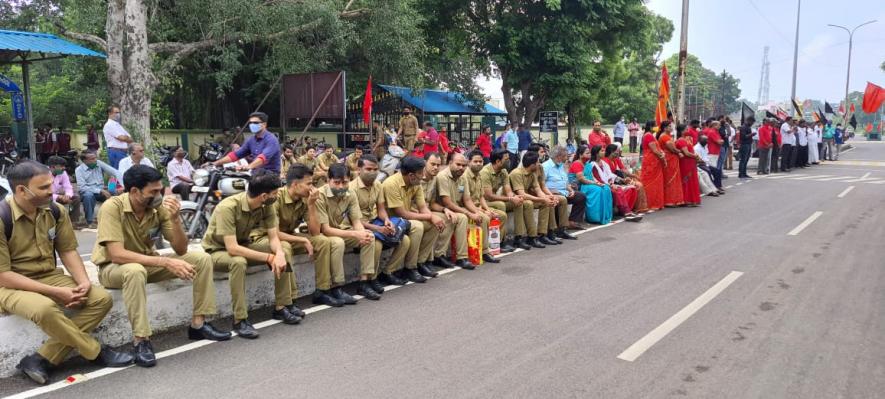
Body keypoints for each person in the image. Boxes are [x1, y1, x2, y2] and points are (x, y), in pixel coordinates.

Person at [0, 162, 134, 384]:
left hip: (49, 274)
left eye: (50, 185)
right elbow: (3, 275)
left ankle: (41, 358)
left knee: (100, 299)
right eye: (43, 187)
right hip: (11, 284)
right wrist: (56, 292)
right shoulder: (3, 217)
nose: (52, 191)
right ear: (22, 190)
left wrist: (83, 282)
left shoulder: (54, 210)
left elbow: (67, 250)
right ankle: (95, 351)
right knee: (45, 309)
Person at [93, 165, 230, 367]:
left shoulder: (159, 208)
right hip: (114, 268)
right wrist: (165, 261)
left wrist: (175, 219)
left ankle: (199, 324)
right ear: (134, 191)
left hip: (147, 263)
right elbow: (117, 254)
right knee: (134, 270)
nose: (160, 195)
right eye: (153, 192)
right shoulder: (112, 207)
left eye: (160, 190)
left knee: (201, 259)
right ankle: (141, 340)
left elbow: (181, 249)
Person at [202, 169, 299, 339]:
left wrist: (279, 254)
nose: (277, 196)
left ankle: (282, 306)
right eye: (275, 193)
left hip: (244, 245)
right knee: (238, 262)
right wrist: (269, 257)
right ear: (263, 195)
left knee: (284, 248)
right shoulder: (228, 207)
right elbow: (232, 249)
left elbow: (273, 237)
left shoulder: (265, 205)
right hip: (217, 251)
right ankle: (240, 319)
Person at [349, 155, 414, 294]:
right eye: (368, 169)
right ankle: (370, 280)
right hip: (356, 226)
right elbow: (354, 219)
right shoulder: (351, 188)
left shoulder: (378, 185)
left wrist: (387, 221)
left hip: (375, 223)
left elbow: (381, 209)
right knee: (376, 244)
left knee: (405, 240)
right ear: (359, 169)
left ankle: (388, 272)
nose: (372, 172)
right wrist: (378, 228)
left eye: (375, 169)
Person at [314, 164, 375, 301]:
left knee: (369, 236)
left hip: (340, 230)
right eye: (336, 182)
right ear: (328, 180)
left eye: (345, 182)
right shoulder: (320, 195)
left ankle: (364, 283)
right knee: (338, 242)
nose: (341, 186)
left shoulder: (350, 193)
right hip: (323, 234)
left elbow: (356, 221)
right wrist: (355, 234)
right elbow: (325, 229)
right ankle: (337, 287)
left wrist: (361, 234)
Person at [381, 156, 443, 283]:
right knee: (418, 226)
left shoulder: (416, 183)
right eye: (421, 173)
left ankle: (421, 262)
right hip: (391, 221)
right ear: (411, 175)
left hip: (406, 219)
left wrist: (432, 217)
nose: (423, 176)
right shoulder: (391, 183)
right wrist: (431, 216)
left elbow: (422, 207)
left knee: (435, 223)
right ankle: (410, 268)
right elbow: (402, 213)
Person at [421, 152, 476, 270]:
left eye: (463, 165)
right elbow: (445, 202)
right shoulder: (439, 177)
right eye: (433, 164)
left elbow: (467, 199)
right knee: (451, 218)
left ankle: (462, 257)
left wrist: (476, 212)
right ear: (450, 163)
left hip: (434, 209)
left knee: (459, 217)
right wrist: (449, 210)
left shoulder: (435, 178)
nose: (436, 167)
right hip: (424, 212)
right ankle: (437, 256)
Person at [480, 149, 534, 250]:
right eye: (506, 159)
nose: (509, 161)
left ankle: (519, 237)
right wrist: (509, 198)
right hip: (485, 202)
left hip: (495, 200)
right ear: (498, 161)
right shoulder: (485, 172)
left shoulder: (504, 171)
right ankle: (501, 240)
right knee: (501, 204)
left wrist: (514, 197)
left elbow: (508, 190)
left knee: (520, 202)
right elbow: (489, 196)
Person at [463, 150, 516, 252]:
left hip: (480, 205)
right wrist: (484, 211)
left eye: (480, 161)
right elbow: (468, 200)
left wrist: (487, 209)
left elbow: (481, 196)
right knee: (486, 217)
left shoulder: (478, 175)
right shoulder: (467, 176)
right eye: (475, 161)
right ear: (469, 162)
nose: (478, 164)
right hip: (471, 207)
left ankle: (497, 243)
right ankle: (484, 250)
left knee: (502, 215)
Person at [509, 151, 558, 247]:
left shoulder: (532, 174)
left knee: (546, 203)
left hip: (525, 199)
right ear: (532, 165)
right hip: (513, 199)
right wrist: (542, 199)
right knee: (529, 203)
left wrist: (547, 198)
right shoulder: (516, 173)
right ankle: (528, 237)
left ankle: (542, 234)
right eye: (537, 162)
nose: (539, 164)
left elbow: (538, 190)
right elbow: (521, 194)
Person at [212, 112, 281, 174]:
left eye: (255, 123)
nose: (252, 125)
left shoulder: (271, 140)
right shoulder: (251, 140)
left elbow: (263, 158)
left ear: (264, 124)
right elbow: (236, 155)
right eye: (250, 123)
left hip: (270, 176)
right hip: (255, 174)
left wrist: (249, 166)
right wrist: (215, 163)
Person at [542, 145, 586, 232]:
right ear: (558, 157)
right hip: (552, 192)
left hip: (564, 191)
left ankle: (572, 222)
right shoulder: (545, 166)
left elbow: (565, 181)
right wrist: (552, 192)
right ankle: (558, 227)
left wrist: (571, 190)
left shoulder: (561, 165)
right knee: (560, 200)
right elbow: (541, 184)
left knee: (581, 196)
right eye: (565, 156)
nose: (566, 158)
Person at [528, 144, 565, 244]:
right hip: (531, 195)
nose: (544, 154)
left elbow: (543, 186)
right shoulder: (528, 167)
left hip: (539, 193)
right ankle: (544, 234)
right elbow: (532, 189)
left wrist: (550, 195)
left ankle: (558, 230)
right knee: (547, 203)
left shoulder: (540, 166)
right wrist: (546, 197)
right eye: (541, 152)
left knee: (555, 200)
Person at [75, 150, 122, 229]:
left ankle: (118, 218)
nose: (95, 160)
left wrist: (122, 185)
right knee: (88, 195)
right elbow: (82, 187)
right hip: (88, 192)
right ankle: (90, 221)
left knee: (118, 192)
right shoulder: (79, 170)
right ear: (84, 161)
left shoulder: (98, 163)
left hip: (101, 190)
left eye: (95, 158)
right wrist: (100, 190)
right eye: (92, 159)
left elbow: (115, 172)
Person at [591, 145, 640, 218]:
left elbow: (610, 175)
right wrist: (610, 185)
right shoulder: (592, 164)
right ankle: (626, 212)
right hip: (601, 185)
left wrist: (621, 180)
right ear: (596, 153)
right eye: (602, 151)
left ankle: (626, 210)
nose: (604, 152)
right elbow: (598, 178)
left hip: (609, 183)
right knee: (618, 190)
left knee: (630, 189)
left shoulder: (604, 163)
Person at [569, 145, 613, 224]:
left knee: (606, 188)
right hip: (579, 186)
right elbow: (581, 179)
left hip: (588, 184)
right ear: (580, 154)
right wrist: (595, 184)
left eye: (589, 153)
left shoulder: (587, 164)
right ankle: (593, 217)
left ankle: (604, 216)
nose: (589, 154)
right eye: (587, 153)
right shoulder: (577, 163)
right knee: (597, 190)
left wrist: (598, 183)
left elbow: (592, 177)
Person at [606, 142, 648, 213]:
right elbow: (609, 175)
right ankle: (629, 209)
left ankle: (639, 208)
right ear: (611, 152)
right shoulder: (605, 161)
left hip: (618, 179)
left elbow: (623, 169)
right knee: (637, 186)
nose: (618, 152)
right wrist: (623, 180)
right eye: (616, 151)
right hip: (612, 181)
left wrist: (633, 176)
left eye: (618, 151)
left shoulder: (616, 159)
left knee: (639, 184)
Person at [47, 156, 81, 227]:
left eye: (64, 166)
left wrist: (68, 196)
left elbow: (68, 186)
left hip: (58, 195)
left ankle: (73, 222)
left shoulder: (63, 173)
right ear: (53, 167)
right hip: (47, 197)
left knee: (75, 198)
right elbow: (45, 193)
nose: (64, 168)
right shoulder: (43, 174)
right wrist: (58, 197)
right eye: (61, 166)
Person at [658, 121, 684, 207]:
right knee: (670, 180)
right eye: (669, 126)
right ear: (665, 128)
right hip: (668, 160)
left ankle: (675, 200)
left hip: (672, 159)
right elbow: (672, 149)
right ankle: (669, 201)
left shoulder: (668, 136)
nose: (671, 128)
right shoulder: (664, 136)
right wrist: (679, 151)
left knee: (674, 180)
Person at [674, 128, 701, 206]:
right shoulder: (681, 140)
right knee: (687, 180)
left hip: (690, 162)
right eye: (685, 129)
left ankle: (691, 200)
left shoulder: (686, 139)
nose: (687, 131)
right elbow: (686, 153)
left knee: (691, 181)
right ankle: (686, 199)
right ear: (682, 131)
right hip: (685, 163)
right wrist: (696, 156)